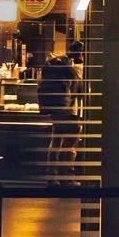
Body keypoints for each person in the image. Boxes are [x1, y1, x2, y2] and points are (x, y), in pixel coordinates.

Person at [37, 49, 80, 182]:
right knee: (70, 144)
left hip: (56, 111)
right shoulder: (71, 71)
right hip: (69, 112)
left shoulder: (50, 70)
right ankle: (67, 177)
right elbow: (76, 91)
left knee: (55, 142)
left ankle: (52, 176)